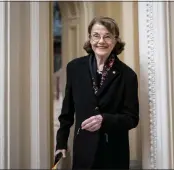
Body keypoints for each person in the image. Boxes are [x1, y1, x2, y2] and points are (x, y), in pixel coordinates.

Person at [55, 16, 139, 169]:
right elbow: (67, 112)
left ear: (115, 40)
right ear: (90, 39)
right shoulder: (74, 68)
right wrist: (61, 143)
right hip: (83, 151)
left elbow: (132, 118)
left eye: (107, 36)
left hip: (114, 154)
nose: (101, 41)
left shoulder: (128, 75)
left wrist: (104, 120)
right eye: (96, 35)